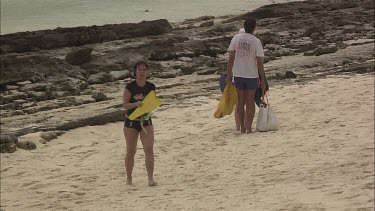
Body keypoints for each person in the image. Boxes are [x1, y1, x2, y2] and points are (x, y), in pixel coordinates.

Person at [226, 17, 266, 134]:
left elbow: (231, 57)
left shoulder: (236, 38)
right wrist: (262, 78)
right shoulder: (256, 41)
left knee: (240, 102)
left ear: (244, 26)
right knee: (250, 101)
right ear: (254, 28)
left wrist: (229, 74)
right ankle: (248, 128)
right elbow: (259, 62)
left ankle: (242, 128)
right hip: (252, 75)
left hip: (238, 74)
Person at [123, 61, 157, 186]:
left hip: (146, 121)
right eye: (139, 70)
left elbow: (152, 102)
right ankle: (129, 178)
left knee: (149, 149)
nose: (142, 72)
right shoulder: (130, 87)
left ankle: (150, 178)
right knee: (131, 150)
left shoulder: (151, 86)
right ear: (135, 72)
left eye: (144, 70)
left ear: (147, 71)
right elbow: (125, 104)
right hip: (131, 122)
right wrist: (136, 104)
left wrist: (150, 106)